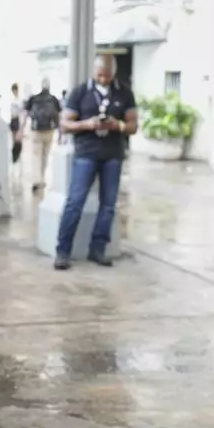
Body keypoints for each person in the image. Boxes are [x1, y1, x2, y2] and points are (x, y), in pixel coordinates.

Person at [54, 55, 139, 270]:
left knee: (108, 205)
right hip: (86, 154)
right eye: (100, 75)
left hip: (113, 155)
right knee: (75, 202)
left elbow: (133, 126)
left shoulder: (124, 93)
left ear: (113, 73)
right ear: (94, 71)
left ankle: (98, 249)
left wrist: (118, 125)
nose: (103, 79)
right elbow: (65, 125)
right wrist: (87, 124)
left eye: (107, 76)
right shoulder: (80, 92)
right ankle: (63, 251)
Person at [24, 77, 61, 191]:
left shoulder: (34, 98)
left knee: (36, 156)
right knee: (45, 155)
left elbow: (26, 114)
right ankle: (42, 179)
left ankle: (36, 180)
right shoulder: (53, 99)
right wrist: (60, 132)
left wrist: (22, 129)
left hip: (36, 130)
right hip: (49, 130)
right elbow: (58, 115)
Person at [8, 83, 25, 166]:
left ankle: (18, 156)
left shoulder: (20, 100)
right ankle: (14, 157)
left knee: (18, 140)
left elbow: (22, 112)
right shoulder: (12, 100)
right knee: (14, 140)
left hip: (17, 120)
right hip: (13, 120)